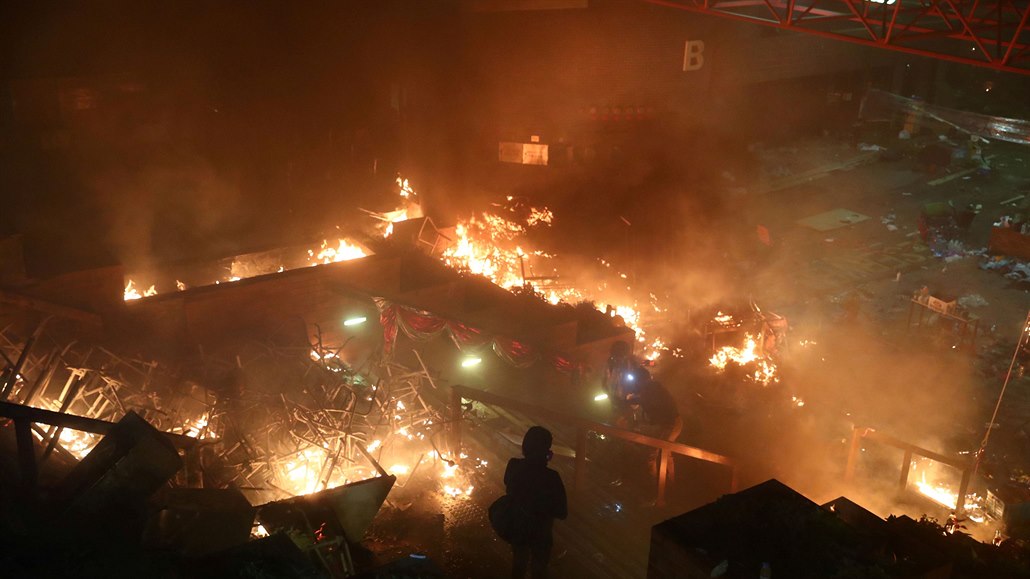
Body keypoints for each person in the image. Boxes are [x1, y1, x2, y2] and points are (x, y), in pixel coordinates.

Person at [504, 426, 568, 579]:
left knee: (518, 565)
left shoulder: (513, 465)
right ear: (547, 451)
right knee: (539, 569)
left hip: (518, 527)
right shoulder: (552, 477)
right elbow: (562, 512)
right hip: (541, 533)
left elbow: (509, 486)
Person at [626, 367, 683, 481]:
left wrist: (628, 400)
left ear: (641, 380)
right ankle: (666, 484)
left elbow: (643, 400)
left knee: (658, 453)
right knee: (663, 453)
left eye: (636, 381)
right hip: (667, 424)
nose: (635, 384)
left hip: (671, 424)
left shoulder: (652, 387)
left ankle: (657, 486)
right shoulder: (650, 387)